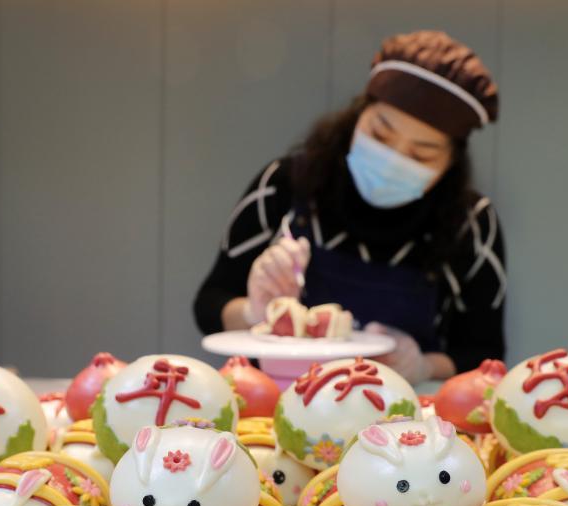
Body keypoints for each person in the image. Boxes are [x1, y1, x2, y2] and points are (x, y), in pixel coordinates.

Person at [193, 30, 506, 385]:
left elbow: (484, 354)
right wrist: (254, 312)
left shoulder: (472, 224)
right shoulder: (284, 186)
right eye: (380, 134)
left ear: (452, 162)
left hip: (403, 412)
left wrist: (423, 366)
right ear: (359, 115)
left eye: (421, 154)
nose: (392, 160)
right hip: (277, 402)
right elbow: (209, 305)